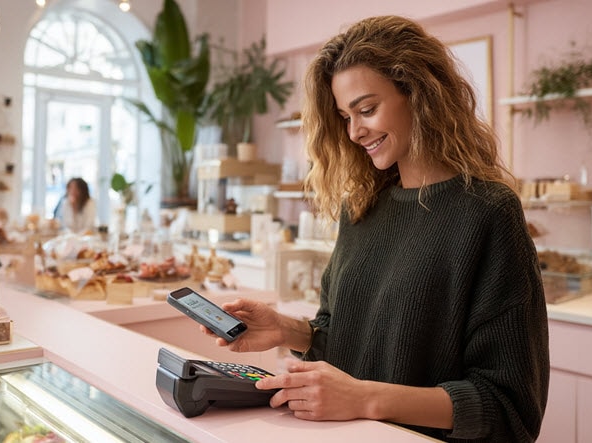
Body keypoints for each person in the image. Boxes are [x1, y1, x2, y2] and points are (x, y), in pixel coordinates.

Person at [203, 15, 549, 442]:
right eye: (345, 116)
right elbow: (349, 339)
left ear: (421, 95)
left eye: (367, 109)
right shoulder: (361, 207)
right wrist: (288, 330)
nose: (354, 131)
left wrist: (365, 399)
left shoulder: (488, 213)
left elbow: (508, 406)